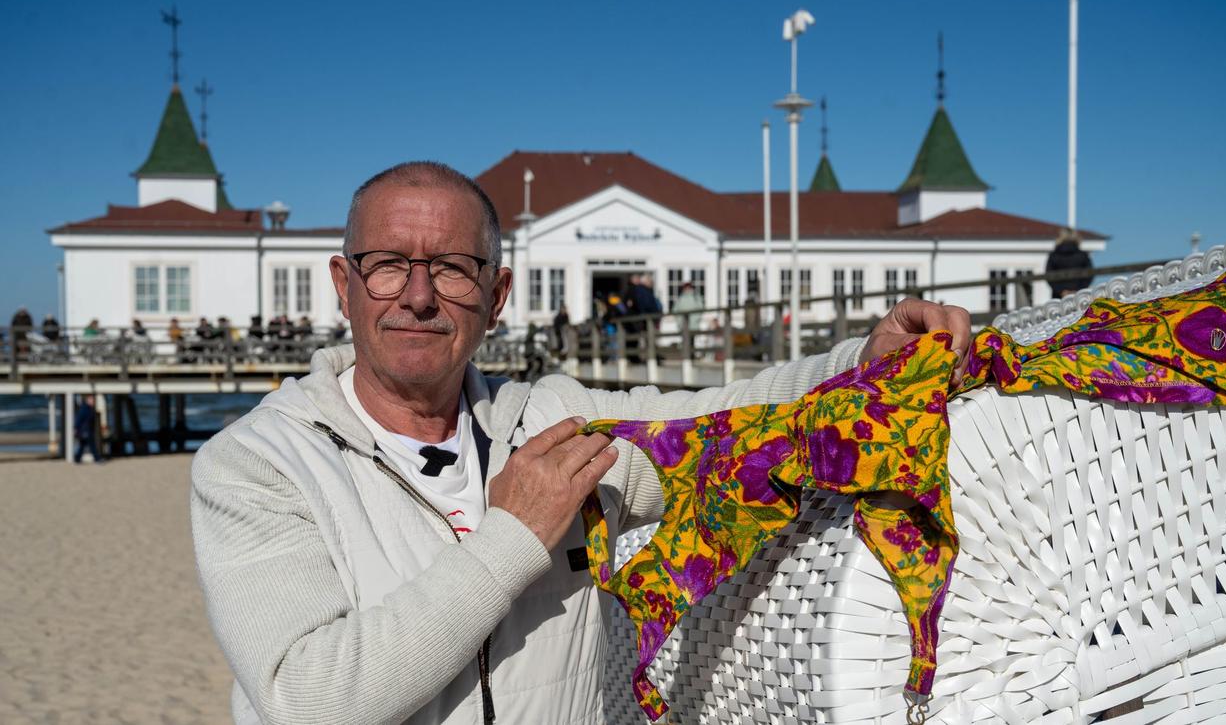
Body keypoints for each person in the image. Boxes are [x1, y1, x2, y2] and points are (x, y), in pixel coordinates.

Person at [190, 160, 971, 725]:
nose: (419, 295)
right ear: (344, 284)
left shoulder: (551, 421)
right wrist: (514, 536)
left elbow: (718, 424)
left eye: (453, 269)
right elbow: (308, 699)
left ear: (495, 298)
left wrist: (859, 364)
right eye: (390, 264)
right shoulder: (255, 463)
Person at [1046, 230, 1093, 299]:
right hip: (1079, 297)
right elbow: (1089, 274)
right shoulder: (1083, 255)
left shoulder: (1054, 255)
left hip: (1058, 297)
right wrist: (1078, 290)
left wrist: (1061, 291)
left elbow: (1049, 275)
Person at [73, 394, 103, 463]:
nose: (93, 401)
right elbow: (79, 419)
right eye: (92, 400)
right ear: (88, 400)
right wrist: (76, 428)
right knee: (92, 446)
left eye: (93, 400)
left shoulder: (89, 408)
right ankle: (97, 459)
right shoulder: (85, 409)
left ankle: (77, 459)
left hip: (86, 430)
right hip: (85, 431)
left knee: (82, 446)